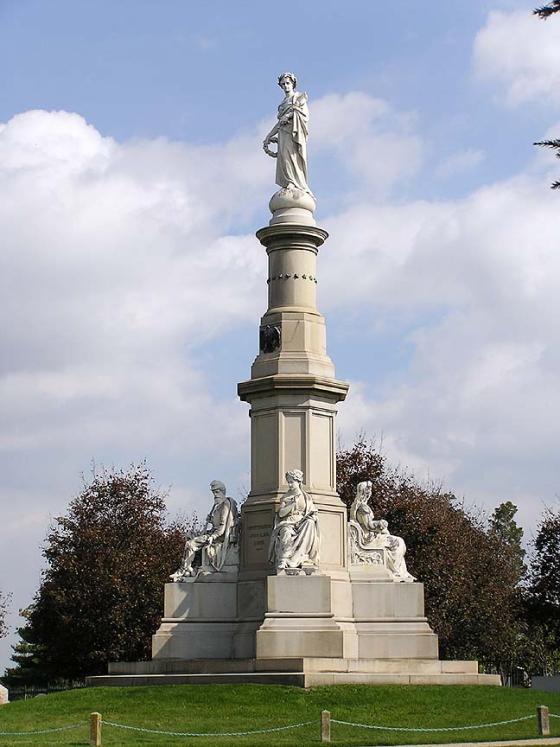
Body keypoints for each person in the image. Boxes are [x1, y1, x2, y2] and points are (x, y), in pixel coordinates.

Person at [170, 480, 238, 581]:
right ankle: (190, 567)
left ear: (222, 492)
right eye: (213, 492)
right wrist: (211, 520)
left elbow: (222, 528)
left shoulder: (225, 505)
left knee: (190, 544)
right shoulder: (218, 506)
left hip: (218, 536)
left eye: (216, 492)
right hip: (212, 532)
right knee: (190, 535)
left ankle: (184, 569)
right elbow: (216, 523)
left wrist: (212, 537)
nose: (215, 495)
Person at [349, 480, 415, 582]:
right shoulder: (363, 508)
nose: (369, 493)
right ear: (364, 493)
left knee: (398, 541)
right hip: (369, 539)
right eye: (368, 491)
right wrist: (380, 523)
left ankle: (398, 571)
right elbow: (369, 525)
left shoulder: (358, 506)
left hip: (372, 536)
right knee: (398, 542)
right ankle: (396, 571)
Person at [263, 72, 313, 196]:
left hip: (294, 133)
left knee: (293, 156)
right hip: (283, 133)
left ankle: (296, 182)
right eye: (283, 84)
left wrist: (290, 114)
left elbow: (304, 115)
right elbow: (280, 122)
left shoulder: (299, 98)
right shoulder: (283, 103)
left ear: (293, 83)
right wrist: (269, 135)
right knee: (285, 158)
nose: (286, 86)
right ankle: (288, 181)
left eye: (288, 83)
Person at [268, 469, 319, 572]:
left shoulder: (306, 497)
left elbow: (313, 511)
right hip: (288, 522)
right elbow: (281, 513)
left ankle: (301, 557)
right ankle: (284, 559)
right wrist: (291, 504)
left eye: (292, 482)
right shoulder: (286, 497)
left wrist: (311, 516)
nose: (290, 485)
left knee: (310, 523)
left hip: (302, 522)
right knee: (286, 531)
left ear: (298, 482)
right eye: (289, 482)